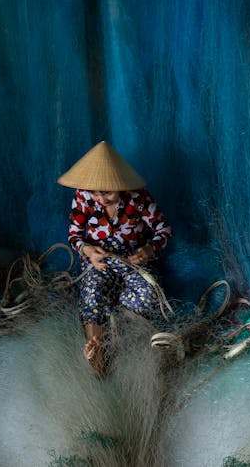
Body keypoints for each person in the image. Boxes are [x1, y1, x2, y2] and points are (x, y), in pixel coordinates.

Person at [57, 140, 172, 377]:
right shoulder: (82, 197)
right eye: (95, 193)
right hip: (99, 260)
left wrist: (150, 250)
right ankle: (96, 350)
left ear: (120, 185)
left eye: (107, 192)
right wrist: (88, 251)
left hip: (134, 260)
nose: (101, 199)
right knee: (92, 290)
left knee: (148, 295)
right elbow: (75, 236)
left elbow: (163, 229)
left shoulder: (138, 199)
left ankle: (119, 328)